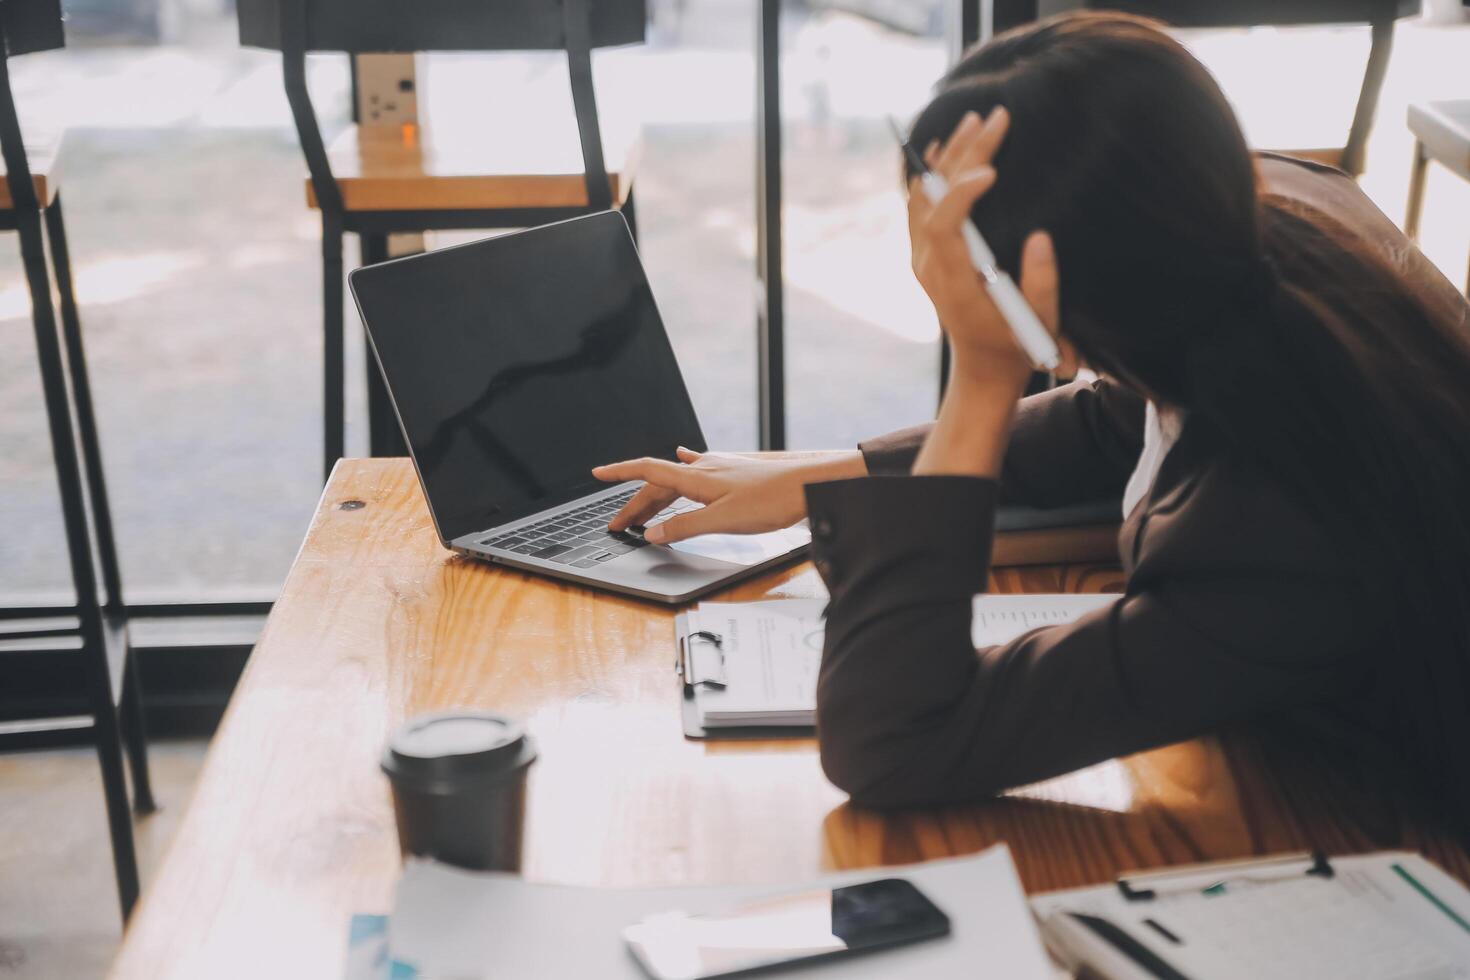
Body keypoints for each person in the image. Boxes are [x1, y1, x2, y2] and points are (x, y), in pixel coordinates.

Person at [593, 12, 1470, 826]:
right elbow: (1115, 419)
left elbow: (894, 740)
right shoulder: (1265, 228)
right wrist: (821, 475)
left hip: (1379, 845)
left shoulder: (1273, 534)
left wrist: (983, 373)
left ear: (1043, 290)